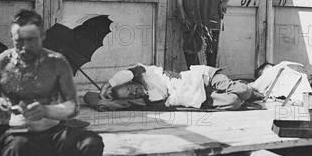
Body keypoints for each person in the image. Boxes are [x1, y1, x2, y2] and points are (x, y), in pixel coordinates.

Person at [0, 10, 104, 156]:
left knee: (91, 143)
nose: (23, 47)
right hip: (12, 135)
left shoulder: (57, 63)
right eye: (18, 41)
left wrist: (47, 111)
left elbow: (71, 107)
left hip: (51, 134)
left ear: (42, 37)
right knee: (19, 148)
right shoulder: (2, 62)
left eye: (30, 40)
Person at [99, 63, 262, 110]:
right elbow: (159, 99)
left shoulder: (146, 71)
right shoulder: (151, 99)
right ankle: (245, 93)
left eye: (128, 89)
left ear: (129, 82)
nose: (133, 93)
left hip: (202, 78)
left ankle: (251, 88)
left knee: (244, 92)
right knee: (234, 102)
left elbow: (130, 72)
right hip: (198, 97)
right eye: (129, 96)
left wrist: (109, 84)